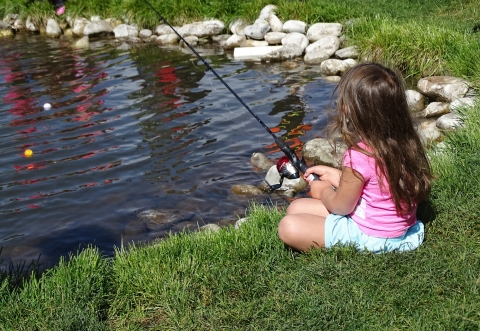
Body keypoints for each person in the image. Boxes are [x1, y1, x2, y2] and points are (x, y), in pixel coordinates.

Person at [278, 62, 433, 253]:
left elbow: (340, 207)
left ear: (350, 109)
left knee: (288, 226)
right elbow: (377, 185)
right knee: (296, 208)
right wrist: (336, 174)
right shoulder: (404, 141)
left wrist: (323, 189)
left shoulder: (359, 155)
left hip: (371, 236)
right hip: (400, 230)